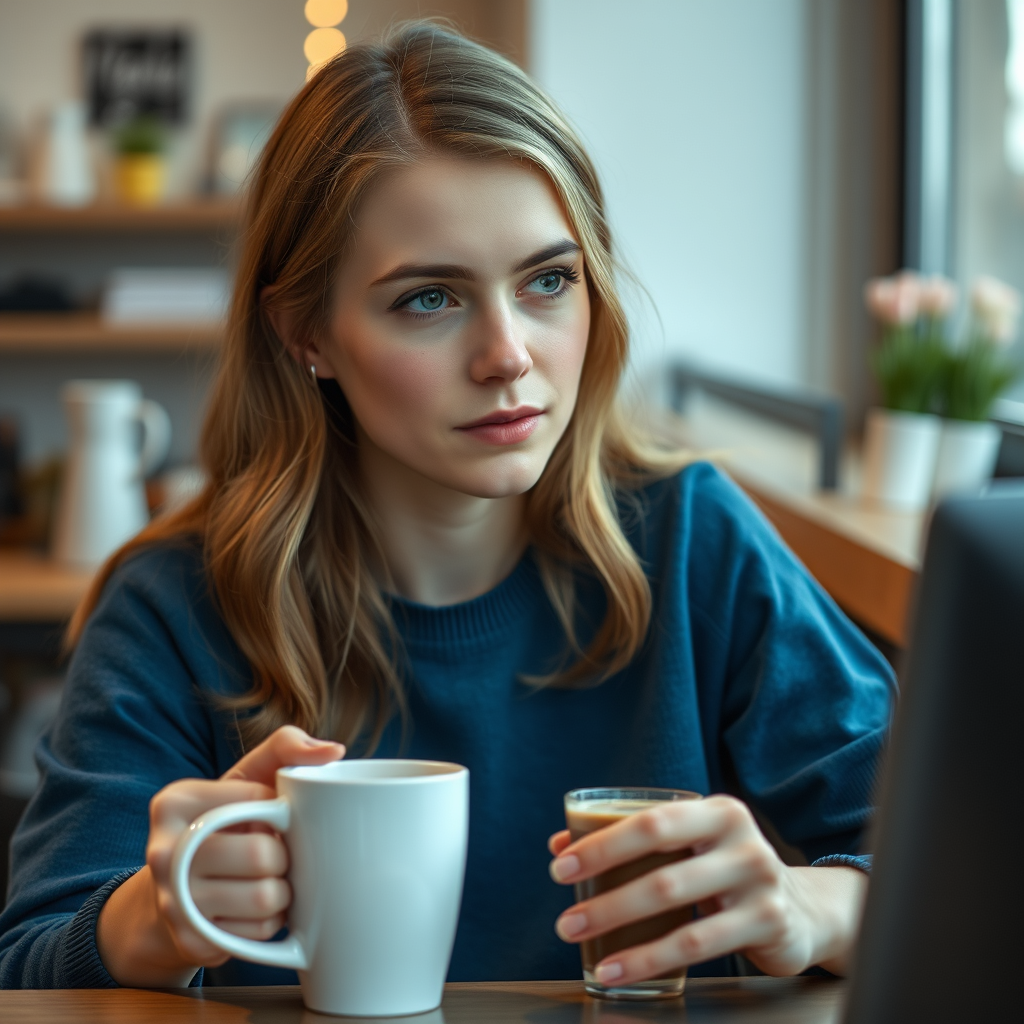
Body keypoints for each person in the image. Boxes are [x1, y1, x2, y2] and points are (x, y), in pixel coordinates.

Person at [0, 22, 893, 990]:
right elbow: (30, 966)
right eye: (429, 298)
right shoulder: (173, 606)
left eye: (548, 280)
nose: (507, 353)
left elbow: (952, 859)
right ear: (305, 332)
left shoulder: (692, 541)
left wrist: (808, 904)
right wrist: (149, 920)